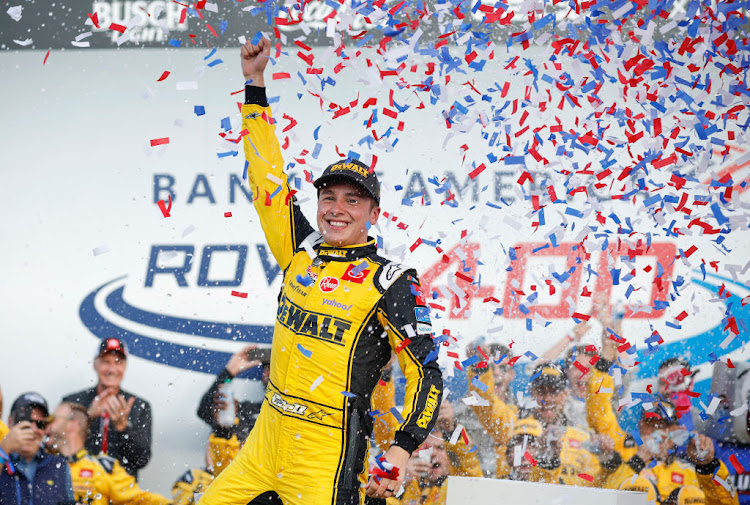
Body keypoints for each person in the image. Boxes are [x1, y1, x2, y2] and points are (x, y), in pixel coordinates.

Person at [196, 36, 443, 505]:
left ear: (373, 212)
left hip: (327, 453)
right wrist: (255, 84)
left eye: (352, 200)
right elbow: (265, 175)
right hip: (265, 441)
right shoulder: (299, 248)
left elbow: (427, 374)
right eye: (328, 196)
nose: (336, 209)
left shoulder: (391, 281)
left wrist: (401, 450)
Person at [45, 401, 170, 505]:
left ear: (72, 425)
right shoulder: (39, 462)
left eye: (52, 419)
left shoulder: (104, 468)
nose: (45, 425)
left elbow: (141, 499)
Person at [63, 337, 152, 479]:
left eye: (118, 362)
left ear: (125, 366)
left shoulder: (139, 406)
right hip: (81, 486)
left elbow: (142, 460)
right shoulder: (72, 402)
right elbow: (59, 449)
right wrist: (87, 417)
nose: (112, 369)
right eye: (106, 362)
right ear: (95, 365)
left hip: (122, 492)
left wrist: (124, 428)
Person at [604, 414, 739, 505]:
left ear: (677, 433)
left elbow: (727, 502)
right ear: (640, 427)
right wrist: (639, 460)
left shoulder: (688, 472)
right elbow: (603, 498)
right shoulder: (622, 456)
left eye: (663, 426)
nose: (657, 433)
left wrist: (707, 465)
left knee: (688, 495)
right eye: (650, 426)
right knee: (639, 486)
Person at [0, 392, 75, 505]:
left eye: (40, 424)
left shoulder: (59, 466)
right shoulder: (2, 459)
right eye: (26, 421)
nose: (33, 429)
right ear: (10, 421)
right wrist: (3, 450)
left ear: (45, 429)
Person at [197, 344, 270, 443]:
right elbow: (205, 411)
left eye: (275, 368)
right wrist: (229, 372)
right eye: (266, 367)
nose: (268, 373)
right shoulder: (247, 411)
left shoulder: (295, 416)